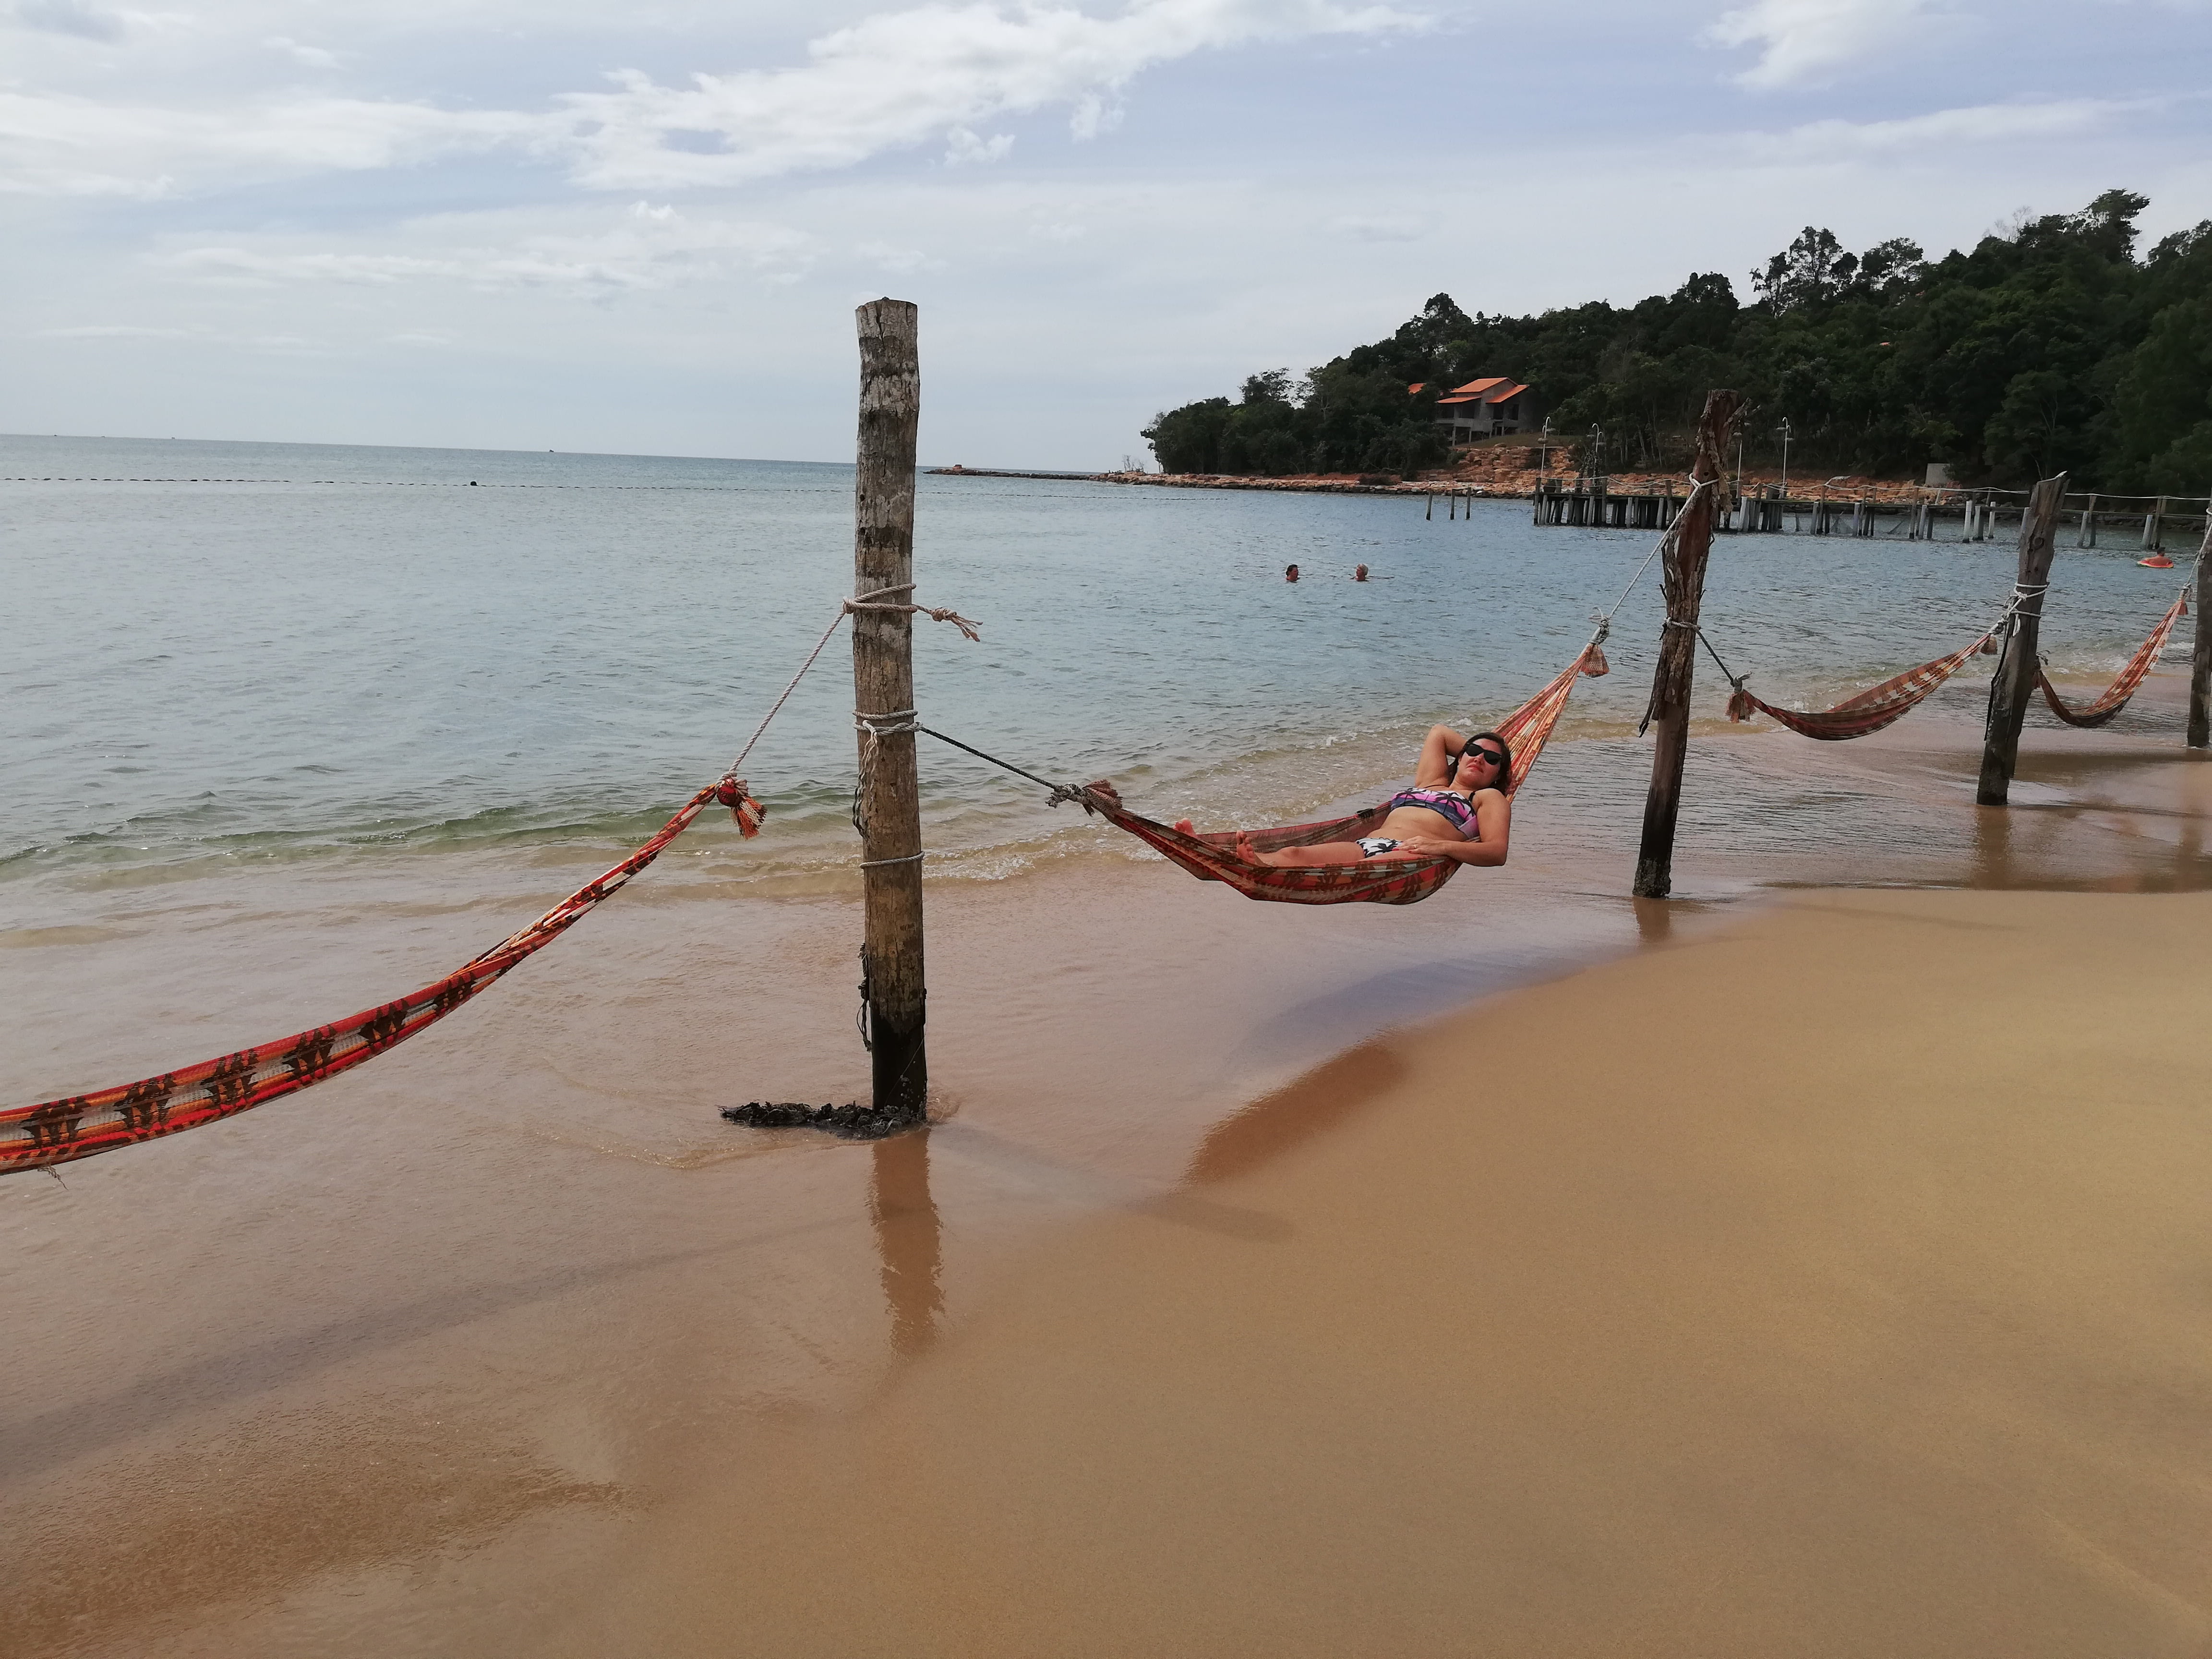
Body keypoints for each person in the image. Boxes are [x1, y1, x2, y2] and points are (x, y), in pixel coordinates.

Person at [1175, 728, 1513, 868]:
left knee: (1359, 871)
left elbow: (1497, 853)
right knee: (1293, 853)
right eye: (1471, 750)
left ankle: (1251, 867)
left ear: (1499, 774)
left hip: (1407, 857)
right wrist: (1480, 750)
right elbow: (1438, 732)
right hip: (1369, 843)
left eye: (1492, 760)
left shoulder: (1486, 798)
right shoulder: (1431, 782)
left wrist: (1444, 847)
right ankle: (1220, 858)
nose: (1479, 758)